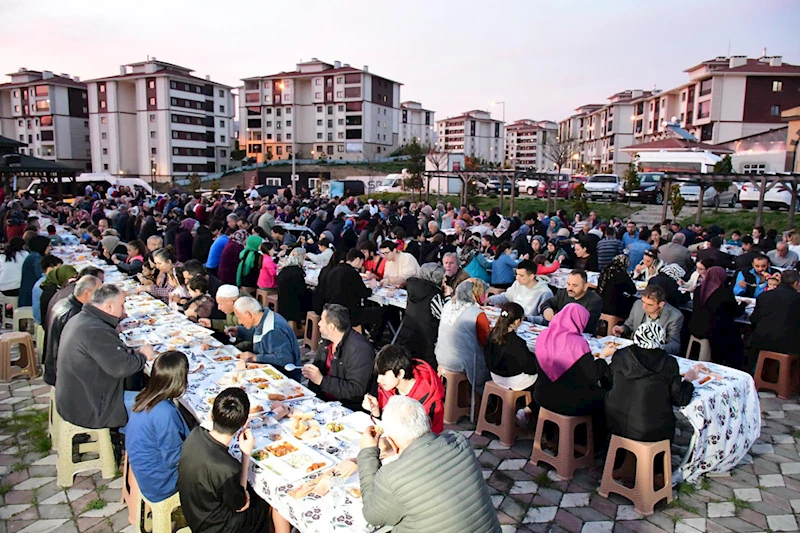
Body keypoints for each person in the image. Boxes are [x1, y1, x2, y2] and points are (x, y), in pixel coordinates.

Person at [358, 395, 501, 533]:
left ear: (392, 442)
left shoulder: (391, 476)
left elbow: (373, 516)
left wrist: (367, 452)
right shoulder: (459, 441)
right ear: (427, 422)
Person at [177, 388, 278, 533]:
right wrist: (245, 455)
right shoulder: (227, 467)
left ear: (212, 415)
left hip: (194, 511)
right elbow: (242, 505)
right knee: (268, 501)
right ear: (244, 424)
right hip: (216, 526)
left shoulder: (195, 434)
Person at [56, 284, 154, 429]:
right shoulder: (96, 330)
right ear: (109, 306)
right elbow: (121, 368)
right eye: (122, 306)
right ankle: (140, 448)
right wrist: (143, 356)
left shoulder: (83, 318)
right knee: (161, 408)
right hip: (90, 408)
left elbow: (111, 355)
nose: (124, 311)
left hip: (77, 397)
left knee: (141, 386)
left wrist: (133, 353)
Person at [533, 303, 613, 443]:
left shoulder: (544, 335)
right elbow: (593, 375)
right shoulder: (578, 344)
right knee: (606, 397)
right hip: (568, 402)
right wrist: (603, 357)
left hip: (542, 394)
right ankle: (593, 444)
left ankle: (550, 435)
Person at [604, 323, 697, 442]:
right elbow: (680, 399)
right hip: (650, 429)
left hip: (614, 422)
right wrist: (688, 380)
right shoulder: (668, 362)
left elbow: (609, 382)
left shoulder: (621, 354)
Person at [125, 350, 191, 503]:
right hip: (161, 483)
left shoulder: (145, 396)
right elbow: (174, 458)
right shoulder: (165, 412)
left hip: (147, 472)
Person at [303, 303, 375, 411]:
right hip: (322, 403)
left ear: (331, 327)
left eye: (321, 320)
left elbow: (356, 390)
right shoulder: (326, 342)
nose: (318, 323)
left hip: (346, 408)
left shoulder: (360, 349)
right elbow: (316, 371)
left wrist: (322, 381)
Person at [363, 344, 445, 434]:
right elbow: (386, 424)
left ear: (400, 374)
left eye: (383, 374)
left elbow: (431, 436)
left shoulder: (430, 399)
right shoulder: (387, 388)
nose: (379, 380)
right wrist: (376, 411)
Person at [484, 302, 538, 425]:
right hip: (513, 380)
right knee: (544, 381)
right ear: (518, 321)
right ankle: (527, 410)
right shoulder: (517, 343)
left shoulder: (492, 334)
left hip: (495, 375)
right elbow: (530, 367)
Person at [44, 275, 102, 386]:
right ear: (87, 293)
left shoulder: (65, 302)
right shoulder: (74, 314)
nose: (101, 296)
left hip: (55, 363)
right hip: (62, 373)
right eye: (98, 292)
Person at [435, 279, 491, 391]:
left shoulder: (447, 306)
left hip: (441, 356)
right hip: (461, 362)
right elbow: (487, 341)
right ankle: (485, 400)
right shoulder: (477, 313)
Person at [688, 266, 745, 368]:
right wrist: (743, 305)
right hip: (715, 331)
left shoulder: (699, 290)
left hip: (695, 326)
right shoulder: (724, 293)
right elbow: (736, 312)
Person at [233, 297, 302, 380]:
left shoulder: (273, 329)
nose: (239, 322)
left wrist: (256, 357)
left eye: (239, 317)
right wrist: (239, 331)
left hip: (283, 377)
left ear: (249, 314)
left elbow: (285, 359)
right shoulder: (262, 317)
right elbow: (259, 334)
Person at [395, 263, 447, 368]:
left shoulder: (413, 289)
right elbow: (445, 315)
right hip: (426, 342)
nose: (445, 280)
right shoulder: (433, 295)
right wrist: (448, 297)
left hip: (407, 337)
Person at [614, 285, 683, 355]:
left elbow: (674, 345)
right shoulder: (638, 304)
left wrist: (657, 348)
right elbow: (629, 325)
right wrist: (622, 329)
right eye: (643, 302)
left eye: (650, 304)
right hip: (636, 351)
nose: (644, 307)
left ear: (661, 304)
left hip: (656, 355)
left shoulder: (674, 316)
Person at [750, 269, 800, 356]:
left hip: (762, 340)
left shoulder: (764, 296)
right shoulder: (797, 298)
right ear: (796, 283)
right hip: (789, 344)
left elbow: (754, 319)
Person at [539, 270, 603, 334]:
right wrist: (546, 309)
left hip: (583, 336)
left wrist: (559, 318)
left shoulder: (595, 300)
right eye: (568, 284)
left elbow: (587, 323)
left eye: (575, 285)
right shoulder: (562, 293)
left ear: (585, 287)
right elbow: (546, 303)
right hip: (560, 333)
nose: (570, 288)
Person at [486, 259, 553, 320]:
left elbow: (545, 319)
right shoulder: (517, 284)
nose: (517, 278)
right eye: (517, 274)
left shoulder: (545, 292)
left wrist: (526, 318)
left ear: (531, 276)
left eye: (521, 275)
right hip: (513, 320)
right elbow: (506, 297)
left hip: (528, 325)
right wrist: (490, 299)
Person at [276, 247, 309, 333]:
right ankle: (303, 327)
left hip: (282, 301)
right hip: (294, 304)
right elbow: (302, 291)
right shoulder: (298, 272)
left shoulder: (283, 270)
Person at [597, 255, 637, 323]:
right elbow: (633, 290)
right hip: (613, 307)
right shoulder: (622, 274)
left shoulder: (605, 271)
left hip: (602, 303)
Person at [19, 235, 51, 307]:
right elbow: (42, 277)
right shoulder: (36, 258)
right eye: (48, 246)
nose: (50, 248)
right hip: (30, 295)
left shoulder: (34, 256)